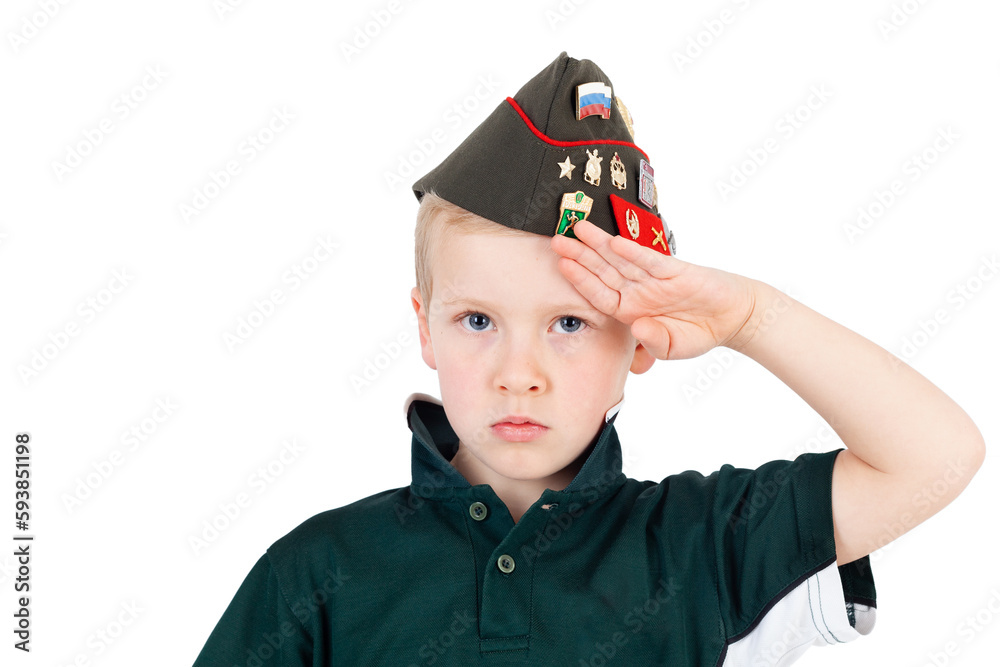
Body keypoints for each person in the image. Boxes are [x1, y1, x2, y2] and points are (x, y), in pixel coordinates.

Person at [191, 52, 985, 666]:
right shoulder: (319, 571)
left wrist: (749, 316)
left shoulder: (703, 544)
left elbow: (937, 457)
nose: (518, 370)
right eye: (477, 319)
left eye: (569, 322)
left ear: (640, 335)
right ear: (424, 328)